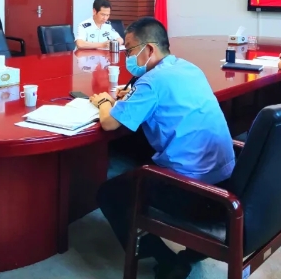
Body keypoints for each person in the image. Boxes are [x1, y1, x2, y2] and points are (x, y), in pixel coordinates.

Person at [89, 17, 235, 279]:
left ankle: (166, 261)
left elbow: (109, 123)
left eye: (130, 50)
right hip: (226, 180)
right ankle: (193, 250)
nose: (127, 57)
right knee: (137, 150)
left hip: (192, 190)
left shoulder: (151, 82)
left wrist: (103, 102)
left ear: (149, 49)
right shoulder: (188, 67)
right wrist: (132, 97)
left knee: (110, 194)